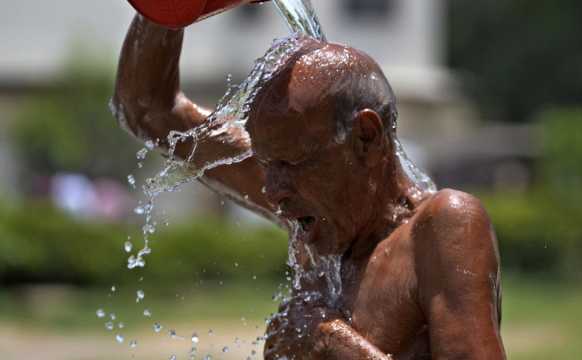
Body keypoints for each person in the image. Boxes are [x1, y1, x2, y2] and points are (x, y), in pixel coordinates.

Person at [112, 11, 506, 360]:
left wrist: (330, 344)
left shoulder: (441, 227)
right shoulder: (313, 212)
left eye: (290, 163)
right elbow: (148, 108)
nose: (273, 190)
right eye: (267, 163)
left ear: (366, 138)